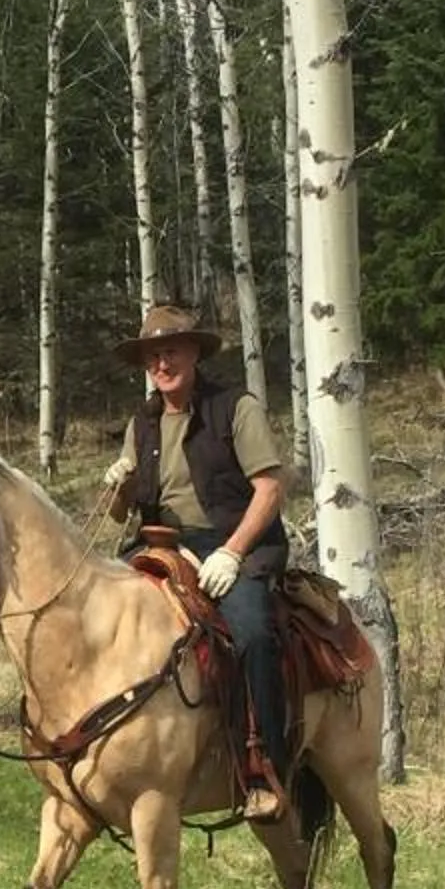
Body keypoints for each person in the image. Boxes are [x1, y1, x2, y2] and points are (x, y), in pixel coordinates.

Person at [97, 301, 292, 823]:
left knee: (251, 633)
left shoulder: (236, 407)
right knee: (101, 614)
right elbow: (120, 513)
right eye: (153, 356)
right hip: (160, 543)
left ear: (194, 353)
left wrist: (232, 552)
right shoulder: (142, 422)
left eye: (172, 351)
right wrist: (119, 485)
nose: (162, 364)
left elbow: (270, 489)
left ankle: (262, 768)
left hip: (233, 544)